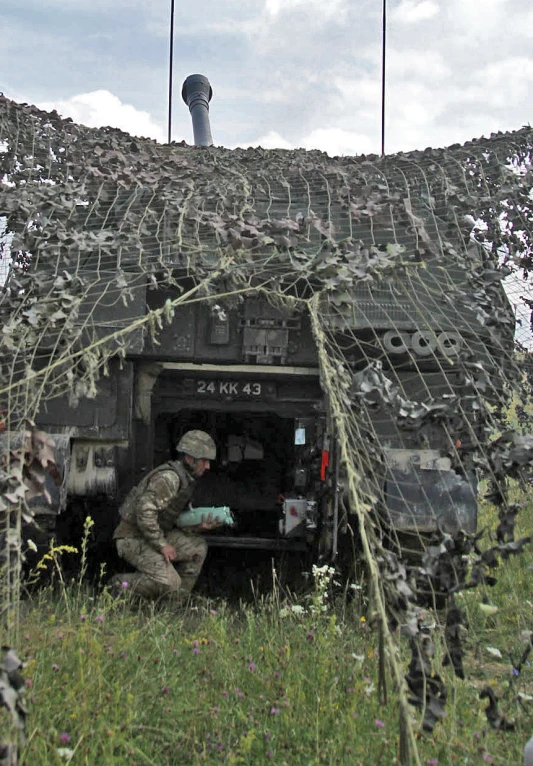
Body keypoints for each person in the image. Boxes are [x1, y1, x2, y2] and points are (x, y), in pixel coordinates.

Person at [111, 429, 219, 600]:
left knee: (197, 548)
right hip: (132, 537)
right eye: (204, 461)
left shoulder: (185, 480)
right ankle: (119, 586)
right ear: (190, 459)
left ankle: (173, 606)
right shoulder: (169, 479)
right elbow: (144, 513)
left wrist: (196, 528)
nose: (207, 466)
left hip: (152, 533)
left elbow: (170, 518)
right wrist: (162, 545)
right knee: (170, 582)